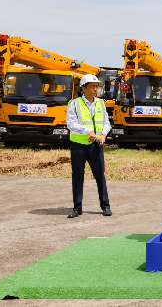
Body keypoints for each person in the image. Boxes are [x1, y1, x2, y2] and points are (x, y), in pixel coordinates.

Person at [65, 74, 112, 218]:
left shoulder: (101, 103)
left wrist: (103, 134)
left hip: (96, 145)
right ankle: (77, 208)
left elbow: (106, 122)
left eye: (96, 86)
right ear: (83, 88)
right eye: (92, 87)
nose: (95, 89)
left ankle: (105, 206)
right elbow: (71, 124)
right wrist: (88, 132)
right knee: (78, 176)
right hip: (78, 145)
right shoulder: (74, 103)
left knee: (100, 176)